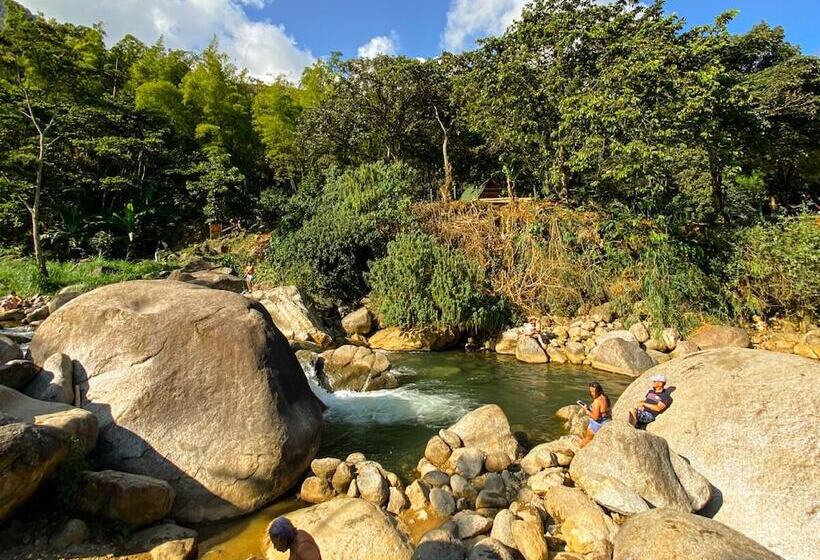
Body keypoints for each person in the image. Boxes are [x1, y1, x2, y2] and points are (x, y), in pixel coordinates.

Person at [579, 382, 611, 447]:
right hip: (606, 421)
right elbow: (603, 412)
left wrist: (586, 410)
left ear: (598, 390)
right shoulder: (605, 397)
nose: (592, 393)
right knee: (587, 436)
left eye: (593, 391)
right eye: (591, 391)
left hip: (597, 424)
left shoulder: (597, 401)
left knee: (584, 443)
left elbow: (595, 417)